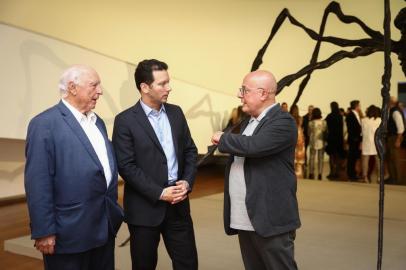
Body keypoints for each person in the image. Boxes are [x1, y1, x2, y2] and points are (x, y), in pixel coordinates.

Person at [24, 65, 124, 270]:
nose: (100, 91)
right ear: (72, 87)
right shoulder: (44, 124)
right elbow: (38, 182)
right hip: (68, 233)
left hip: (104, 228)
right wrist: (44, 231)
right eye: (94, 85)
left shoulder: (98, 123)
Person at [112, 59, 198, 270]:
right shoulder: (125, 120)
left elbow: (190, 151)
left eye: (168, 82)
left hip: (178, 205)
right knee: (144, 266)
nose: (169, 88)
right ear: (144, 87)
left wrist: (186, 183)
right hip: (144, 209)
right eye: (162, 84)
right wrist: (160, 192)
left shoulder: (176, 113)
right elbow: (126, 166)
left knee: (188, 264)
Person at [211, 70, 300, 270]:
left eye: (244, 90)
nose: (239, 94)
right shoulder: (248, 122)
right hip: (246, 216)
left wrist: (223, 138)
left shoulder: (283, 122)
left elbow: (255, 146)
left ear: (262, 93)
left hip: (270, 218)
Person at [386, 96, 405, 184]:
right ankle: (392, 178)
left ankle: (398, 179)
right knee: (390, 159)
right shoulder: (393, 111)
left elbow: (400, 128)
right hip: (391, 138)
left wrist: (398, 140)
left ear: (391, 102)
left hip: (394, 138)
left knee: (395, 159)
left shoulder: (395, 112)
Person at [361, 105, 381, 183]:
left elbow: (362, 133)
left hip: (366, 142)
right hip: (377, 142)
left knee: (365, 161)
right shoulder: (379, 120)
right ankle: (379, 177)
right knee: (378, 161)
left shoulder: (363, 120)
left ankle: (365, 177)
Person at [325, 102, 345, 180]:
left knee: (331, 156)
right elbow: (342, 128)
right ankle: (337, 172)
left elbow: (326, 127)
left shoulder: (329, 116)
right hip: (339, 138)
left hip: (331, 138)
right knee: (337, 157)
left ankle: (331, 172)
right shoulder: (340, 116)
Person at [308, 107, 327, 180]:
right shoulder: (324, 122)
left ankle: (311, 173)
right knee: (320, 158)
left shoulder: (311, 123)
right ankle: (320, 174)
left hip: (313, 141)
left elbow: (308, 133)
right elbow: (325, 132)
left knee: (312, 158)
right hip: (321, 141)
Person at [346, 100, 362, 180]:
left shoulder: (356, 114)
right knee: (352, 157)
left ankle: (353, 174)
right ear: (356, 106)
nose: (360, 107)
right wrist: (355, 138)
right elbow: (351, 128)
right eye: (359, 105)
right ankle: (351, 174)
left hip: (356, 139)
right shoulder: (350, 115)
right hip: (354, 140)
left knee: (354, 157)